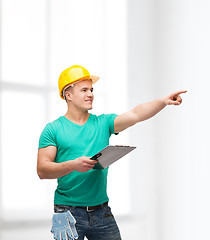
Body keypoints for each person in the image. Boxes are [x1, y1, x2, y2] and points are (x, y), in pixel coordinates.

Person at [37, 65, 187, 240]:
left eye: (91, 89)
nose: (90, 94)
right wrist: (73, 165)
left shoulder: (103, 123)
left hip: (101, 211)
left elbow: (136, 114)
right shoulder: (53, 130)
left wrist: (162, 101)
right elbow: (42, 169)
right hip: (67, 212)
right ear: (68, 95)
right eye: (84, 90)